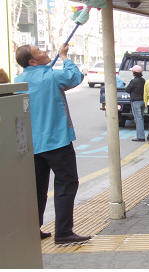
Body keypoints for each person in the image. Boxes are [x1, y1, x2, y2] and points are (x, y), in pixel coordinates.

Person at [14, 44, 91, 244]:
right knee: (66, 184)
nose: (45, 53)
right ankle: (64, 232)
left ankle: (33, 228)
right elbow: (75, 77)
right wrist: (65, 57)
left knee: (37, 188)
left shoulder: (19, 81)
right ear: (32, 61)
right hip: (57, 141)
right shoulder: (52, 77)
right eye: (39, 52)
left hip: (31, 146)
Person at [125, 65, 146, 142]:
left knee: (138, 119)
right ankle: (140, 136)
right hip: (143, 101)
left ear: (134, 73)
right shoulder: (143, 80)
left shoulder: (133, 81)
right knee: (141, 118)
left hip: (135, 102)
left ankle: (140, 137)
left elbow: (127, 90)